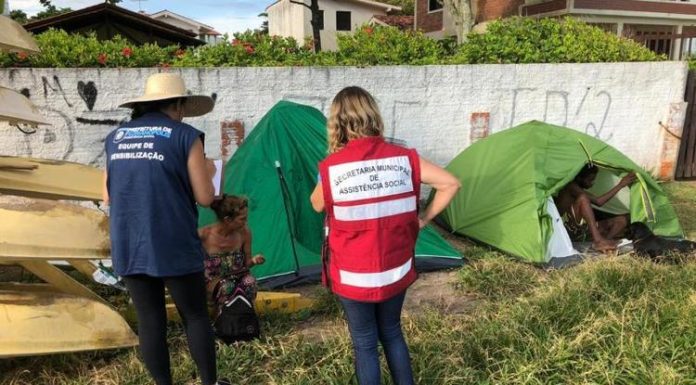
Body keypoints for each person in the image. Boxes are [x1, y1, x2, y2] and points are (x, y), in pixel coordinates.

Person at [310, 86, 460, 385]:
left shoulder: (333, 168)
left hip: (353, 275)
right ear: (373, 116)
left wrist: (332, 168)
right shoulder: (404, 159)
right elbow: (450, 183)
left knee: (365, 342)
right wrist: (423, 220)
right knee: (392, 331)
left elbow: (316, 204)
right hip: (395, 268)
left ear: (337, 123)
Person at [103, 73, 229, 385]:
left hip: (128, 240)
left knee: (150, 320)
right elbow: (204, 197)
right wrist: (211, 171)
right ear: (179, 104)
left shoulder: (116, 137)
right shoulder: (186, 136)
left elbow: (107, 195)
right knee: (195, 315)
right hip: (172, 239)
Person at [199, 194, 265, 308]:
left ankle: (244, 316)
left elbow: (246, 264)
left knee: (250, 283)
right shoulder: (204, 235)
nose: (246, 222)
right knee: (227, 287)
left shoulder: (244, 233)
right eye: (242, 219)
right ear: (228, 219)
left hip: (237, 279)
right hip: (213, 284)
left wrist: (254, 261)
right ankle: (222, 318)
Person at [554, 164, 637, 252]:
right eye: (590, 180)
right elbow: (599, 202)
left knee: (621, 220)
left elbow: (598, 201)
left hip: (581, 230)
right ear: (579, 178)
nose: (592, 183)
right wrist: (620, 185)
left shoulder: (579, 189)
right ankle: (599, 241)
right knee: (583, 199)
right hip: (567, 230)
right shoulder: (571, 186)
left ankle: (605, 241)